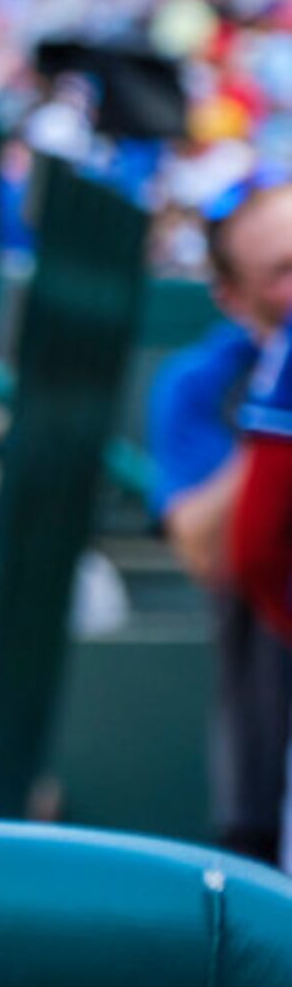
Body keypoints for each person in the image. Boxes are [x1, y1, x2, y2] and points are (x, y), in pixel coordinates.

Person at [147, 172, 292, 862]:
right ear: (233, 298)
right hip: (268, 744)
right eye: (283, 273)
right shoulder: (203, 382)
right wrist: (277, 420)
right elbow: (211, 553)